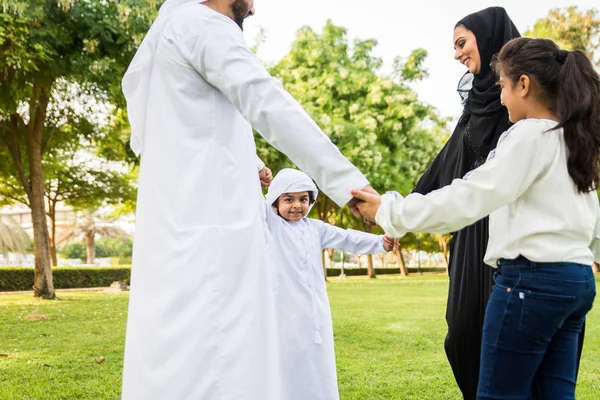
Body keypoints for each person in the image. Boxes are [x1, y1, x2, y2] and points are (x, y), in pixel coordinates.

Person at [120, 0, 373, 399]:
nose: (252, 10)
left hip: (178, 231)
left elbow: (196, 124)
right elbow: (269, 104)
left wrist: (248, 160)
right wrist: (349, 187)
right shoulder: (205, 26)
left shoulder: (175, 31)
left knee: (179, 352)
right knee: (220, 358)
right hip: (215, 237)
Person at [353, 37, 599, 399]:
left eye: (502, 86)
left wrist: (390, 212)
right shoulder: (572, 139)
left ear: (524, 84)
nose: (499, 97)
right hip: (575, 282)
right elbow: (591, 219)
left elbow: (471, 195)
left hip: (530, 284)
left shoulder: (528, 135)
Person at [411, 7, 520, 398]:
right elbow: (446, 159)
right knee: (460, 335)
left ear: (488, 38)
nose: (456, 53)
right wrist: (408, 206)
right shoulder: (473, 102)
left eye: (462, 42)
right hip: (470, 231)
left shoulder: (526, 98)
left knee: (502, 340)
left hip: (508, 229)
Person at [263, 169, 396, 400]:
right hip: (282, 313)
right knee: (285, 365)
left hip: (315, 315)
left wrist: (380, 243)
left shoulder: (315, 228)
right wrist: (256, 168)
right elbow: (248, 199)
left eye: (303, 199)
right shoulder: (270, 225)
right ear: (275, 201)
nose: (297, 205)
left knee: (317, 366)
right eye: (288, 199)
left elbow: (347, 238)